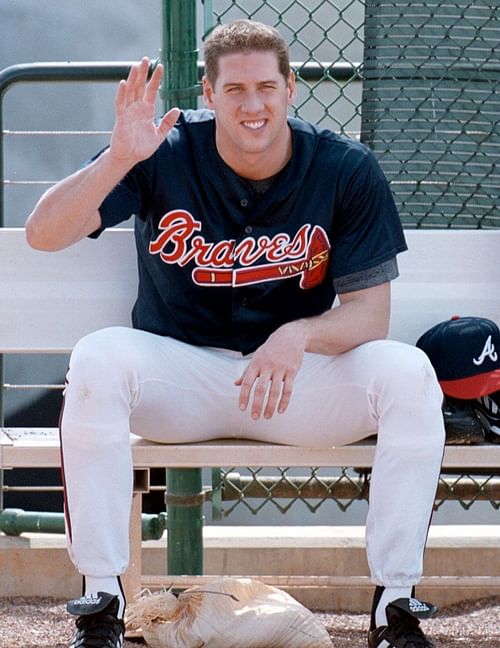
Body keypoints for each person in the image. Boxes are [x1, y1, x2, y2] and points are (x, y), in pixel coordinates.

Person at [26, 19, 445, 648]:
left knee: (409, 375)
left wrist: (299, 335)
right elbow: (43, 234)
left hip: (292, 387)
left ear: (291, 88)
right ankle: (103, 604)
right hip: (181, 381)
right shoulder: (160, 150)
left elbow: (369, 317)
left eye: (267, 87)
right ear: (208, 92)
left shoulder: (344, 167)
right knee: (97, 360)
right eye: (236, 89)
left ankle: (395, 607)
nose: (254, 105)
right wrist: (119, 156)